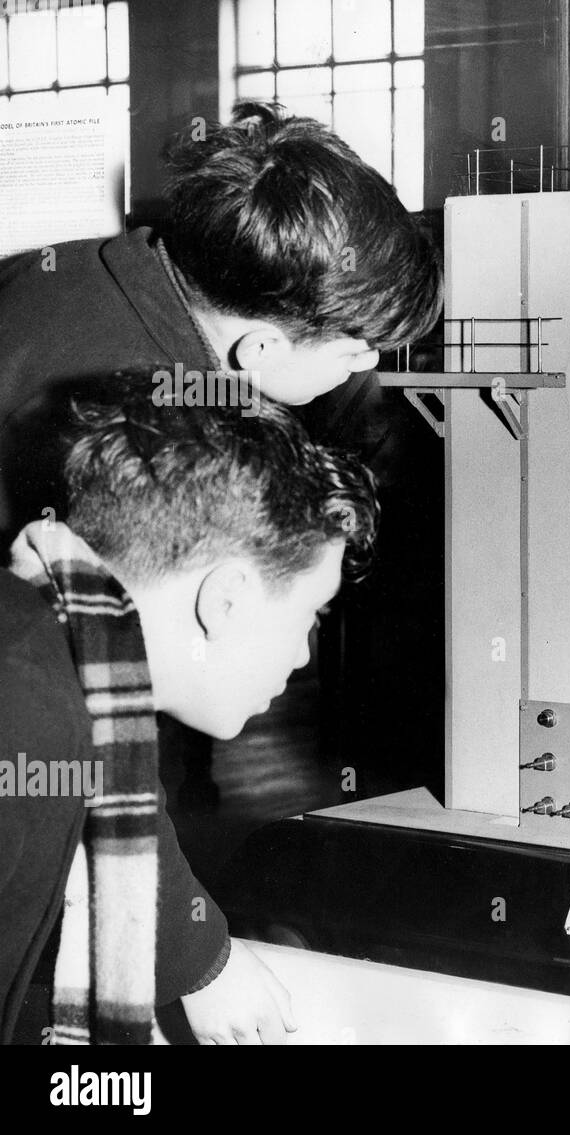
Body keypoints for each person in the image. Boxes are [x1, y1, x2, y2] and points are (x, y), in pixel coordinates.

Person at [0, 373, 379, 1044]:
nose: (302, 656)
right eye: (309, 615)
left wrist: (201, 958)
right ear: (226, 598)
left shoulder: (57, 668)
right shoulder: (34, 720)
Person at [0, 99, 440, 537]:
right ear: (259, 350)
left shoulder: (78, 263)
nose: (366, 365)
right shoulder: (148, 438)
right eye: (353, 354)